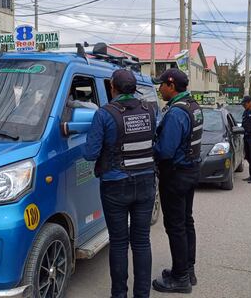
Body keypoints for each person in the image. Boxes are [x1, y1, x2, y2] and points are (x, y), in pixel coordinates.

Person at [83, 69, 157, 298]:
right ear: (134, 88)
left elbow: (90, 153)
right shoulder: (150, 110)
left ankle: (119, 295)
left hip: (115, 185)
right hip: (146, 182)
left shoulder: (104, 114)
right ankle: (142, 295)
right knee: (142, 241)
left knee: (119, 242)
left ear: (112, 87)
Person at [152, 68, 203, 294]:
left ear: (171, 86)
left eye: (161, 84)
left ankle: (180, 278)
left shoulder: (175, 114)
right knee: (186, 222)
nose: (159, 88)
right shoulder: (193, 106)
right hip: (190, 171)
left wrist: (147, 147)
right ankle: (187, 270)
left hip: (175, 175)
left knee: (175, 226)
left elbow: (165, 151)